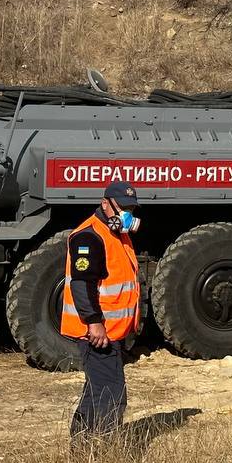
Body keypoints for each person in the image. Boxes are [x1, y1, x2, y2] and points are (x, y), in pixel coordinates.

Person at [60, 180, 142, 440]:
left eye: (131, 209)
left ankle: (82, 445)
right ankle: (105, 451)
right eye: (123, 208)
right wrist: (94, 323)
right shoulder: (89, 236)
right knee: (111, 393)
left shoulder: (118, 234)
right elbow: (82, 284)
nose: (127, 214)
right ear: (105, 203)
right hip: (98, 334)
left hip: (112, 332)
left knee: (96, 390)